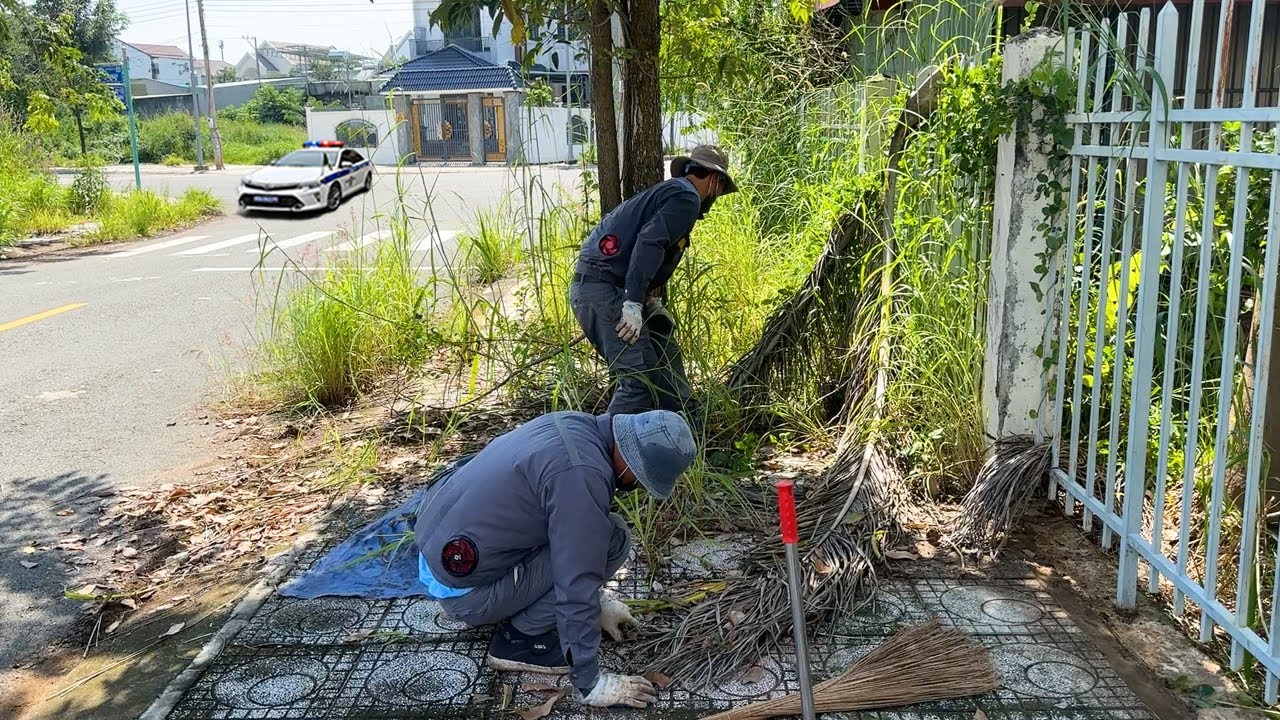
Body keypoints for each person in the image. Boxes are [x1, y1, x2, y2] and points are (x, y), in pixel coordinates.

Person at [413, 409, 697, 709]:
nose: (637, 486)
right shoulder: (581, 474)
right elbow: (577, 578)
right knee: (611, 541)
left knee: (604, 528)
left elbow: (563, 530)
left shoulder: (575, 425)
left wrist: (598, 603)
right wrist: (591, 683)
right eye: (641, 480)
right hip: (467, 594)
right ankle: (520, 639)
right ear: (631, 463)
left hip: (441, 558)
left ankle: (515, 607)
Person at [570, 145, 738, 420]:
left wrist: (648, 299)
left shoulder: (673, 193)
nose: (717, 196)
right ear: (715, 181)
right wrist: (633, 303)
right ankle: (601, 444)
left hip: (604, 286)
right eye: (720, 189)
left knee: (665, 364)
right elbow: (650, 242)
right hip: (604, 289)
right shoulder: (687, 198)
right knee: (639, 382)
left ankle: (682, 431)